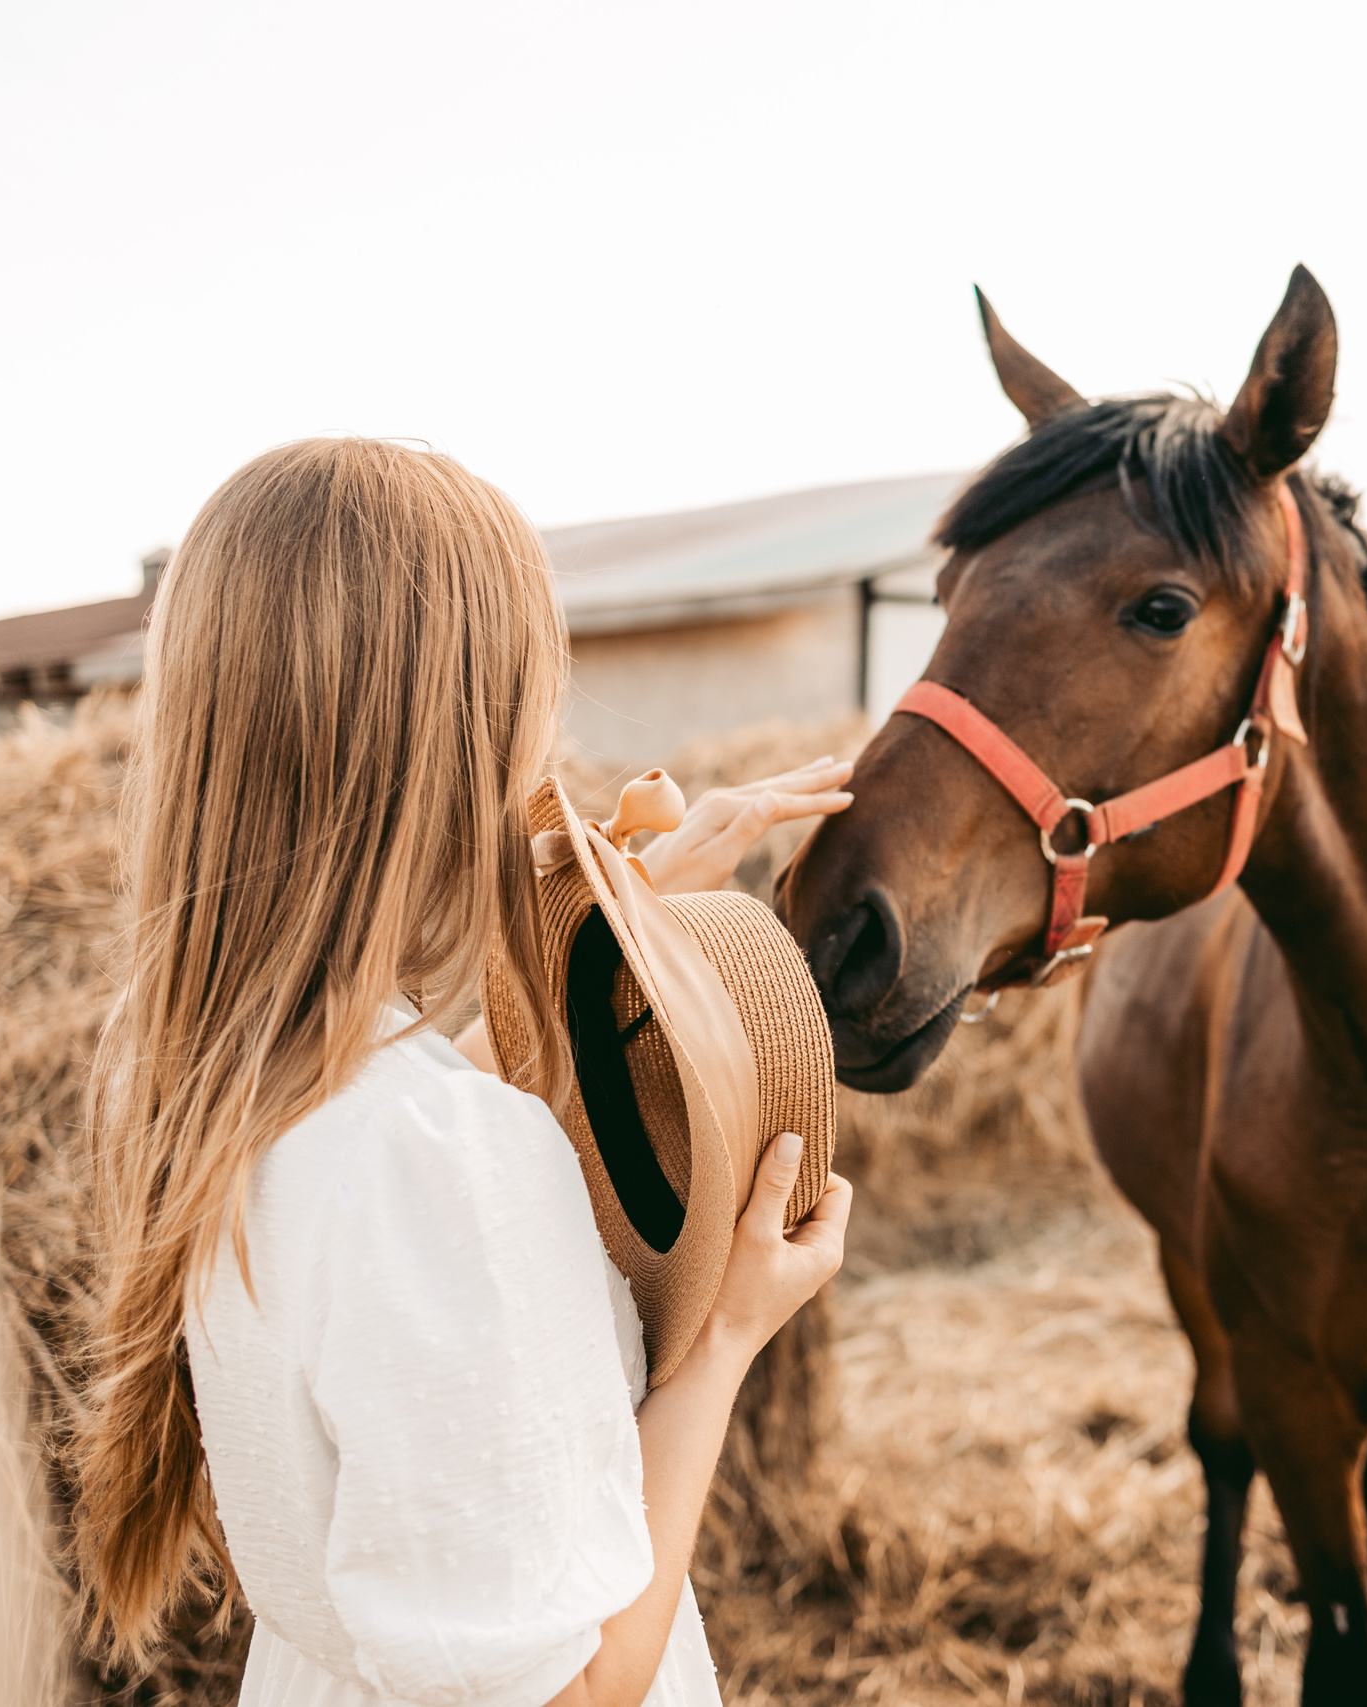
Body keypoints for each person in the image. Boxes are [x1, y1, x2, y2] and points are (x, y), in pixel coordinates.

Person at [72, 438, 854, 1707]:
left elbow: (408, 1117)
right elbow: (572, 1689)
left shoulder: (188, 1065)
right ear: (456, 743)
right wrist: (726, 1336)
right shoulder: (437, 1160)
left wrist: (630, 914)